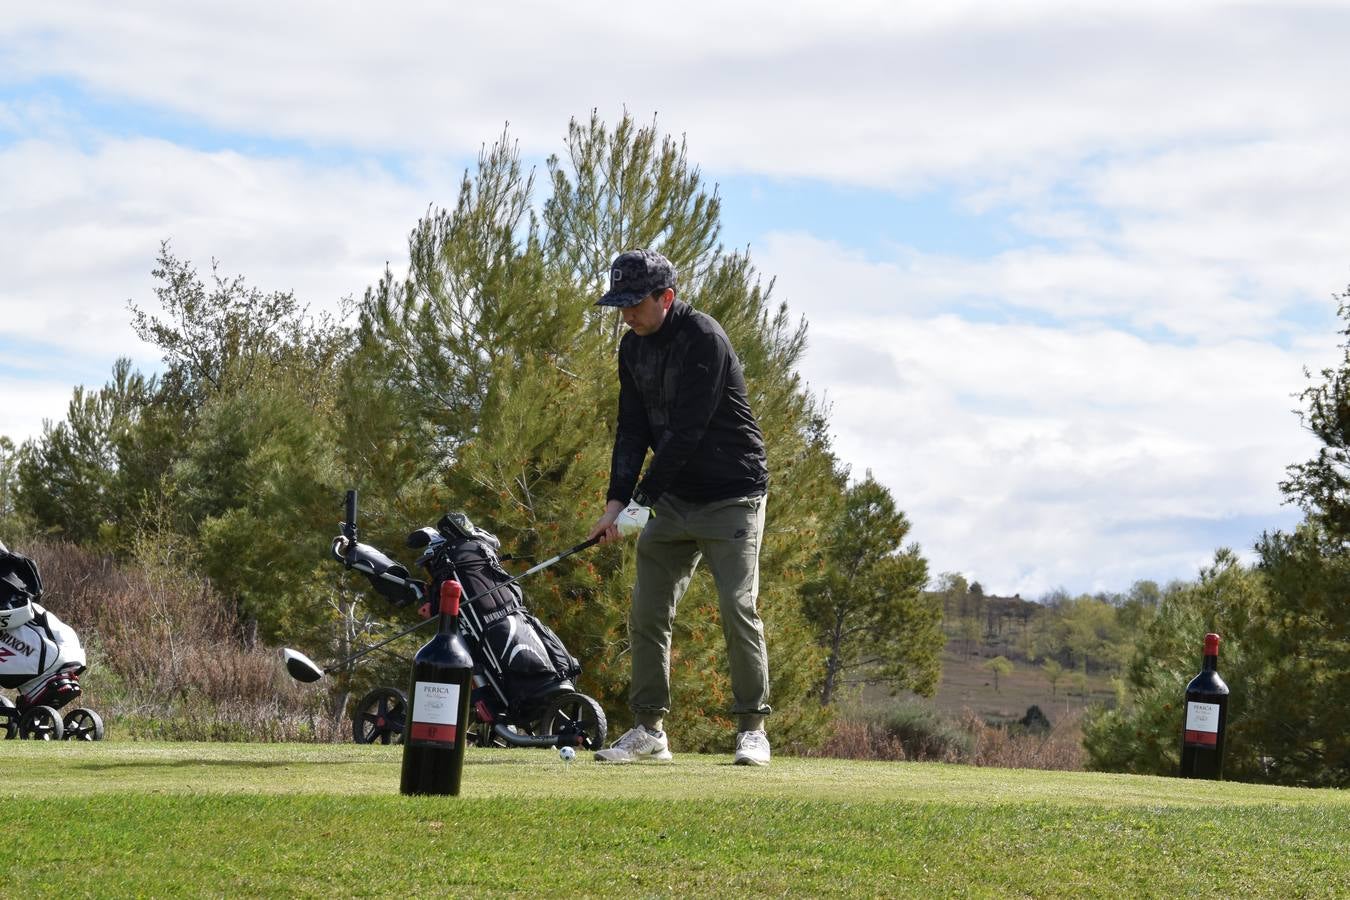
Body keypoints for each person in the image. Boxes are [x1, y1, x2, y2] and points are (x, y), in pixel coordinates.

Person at [587, 248, 772, 767]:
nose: (626, 314)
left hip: (731, 496)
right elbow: (633, 430)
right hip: (673, 498)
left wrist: (638, 507)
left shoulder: (704, 340)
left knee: (738, 608)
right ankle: (649, 730)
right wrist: (616, 501)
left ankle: (752, 730)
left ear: (666, 297)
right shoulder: (632, 348)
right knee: (647, 612)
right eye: (619, 304)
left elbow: (686, 434)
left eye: (635, 303)